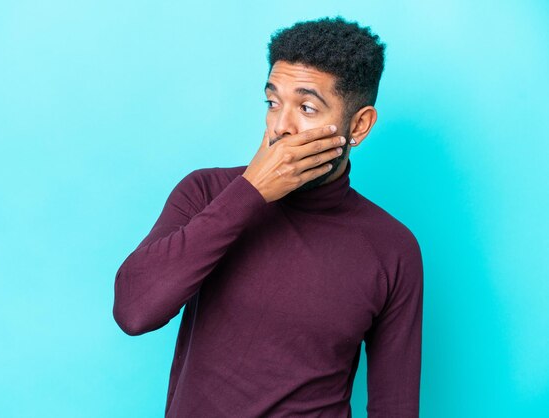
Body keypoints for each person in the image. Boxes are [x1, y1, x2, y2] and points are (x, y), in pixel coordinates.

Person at [113, 15, 424, 418]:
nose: (280, 126)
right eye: (273, 102)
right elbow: (134, 311)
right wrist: (250, 192)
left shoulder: (391, 248)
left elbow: (395, 406)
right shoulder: (206, 192)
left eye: (307, 107)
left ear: (359, 126)